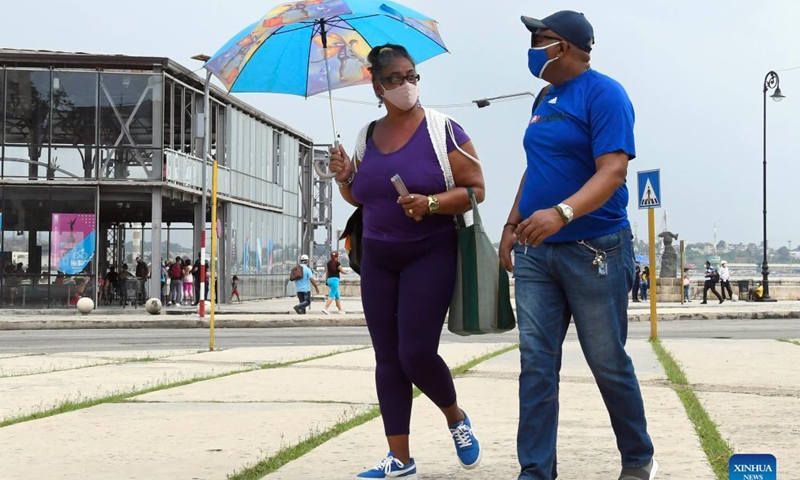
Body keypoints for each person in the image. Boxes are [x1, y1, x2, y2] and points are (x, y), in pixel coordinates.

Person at [498, 12, 657, 480]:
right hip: (535, 251)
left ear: (563, 46)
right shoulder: (545, 97)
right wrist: (511, 223)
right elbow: (537, 165)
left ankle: (637, 457)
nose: (531, 46)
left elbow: (612, 171)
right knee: (536, 367)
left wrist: (561, 212)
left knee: (607, 362)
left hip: (596, 250)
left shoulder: (605, 93)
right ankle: (535, 471)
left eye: (538, 38)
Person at [329, 43, 486, 479]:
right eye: (395, 79)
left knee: (415, 353)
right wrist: (345, 176)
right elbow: (358, 195)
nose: (406, 86)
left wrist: (432, 203)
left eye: (412, 76)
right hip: (378, 257)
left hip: (430, 251)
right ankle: (400, 459)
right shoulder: (365, 136)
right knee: (387, 358)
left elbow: (476, 189)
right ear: (376, 85)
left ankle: (455, 417)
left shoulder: (444, 131)